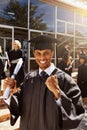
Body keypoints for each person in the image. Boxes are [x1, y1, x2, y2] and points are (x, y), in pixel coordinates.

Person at [3, 35, 84, 130]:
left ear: (52, 54)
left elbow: (77, 113)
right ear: (34, 54)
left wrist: (58, 93)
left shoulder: (65, 79)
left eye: (46, 53)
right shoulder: (29, 78)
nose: (42, 57)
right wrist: (8, 93)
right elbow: (19, 106)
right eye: (38, 53)